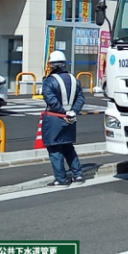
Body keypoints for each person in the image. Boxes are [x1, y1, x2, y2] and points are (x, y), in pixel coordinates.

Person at [42, 50, 86, 186]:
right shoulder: (74, 79)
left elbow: (50, 100)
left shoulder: (49, 81)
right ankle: (78, 175)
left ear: (51, 65)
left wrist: (63, 112)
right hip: (71, 118)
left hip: (54, 118)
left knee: (54, 148)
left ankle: (61, 179)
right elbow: (81, 98)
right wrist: (73, 111)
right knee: (68, 146)